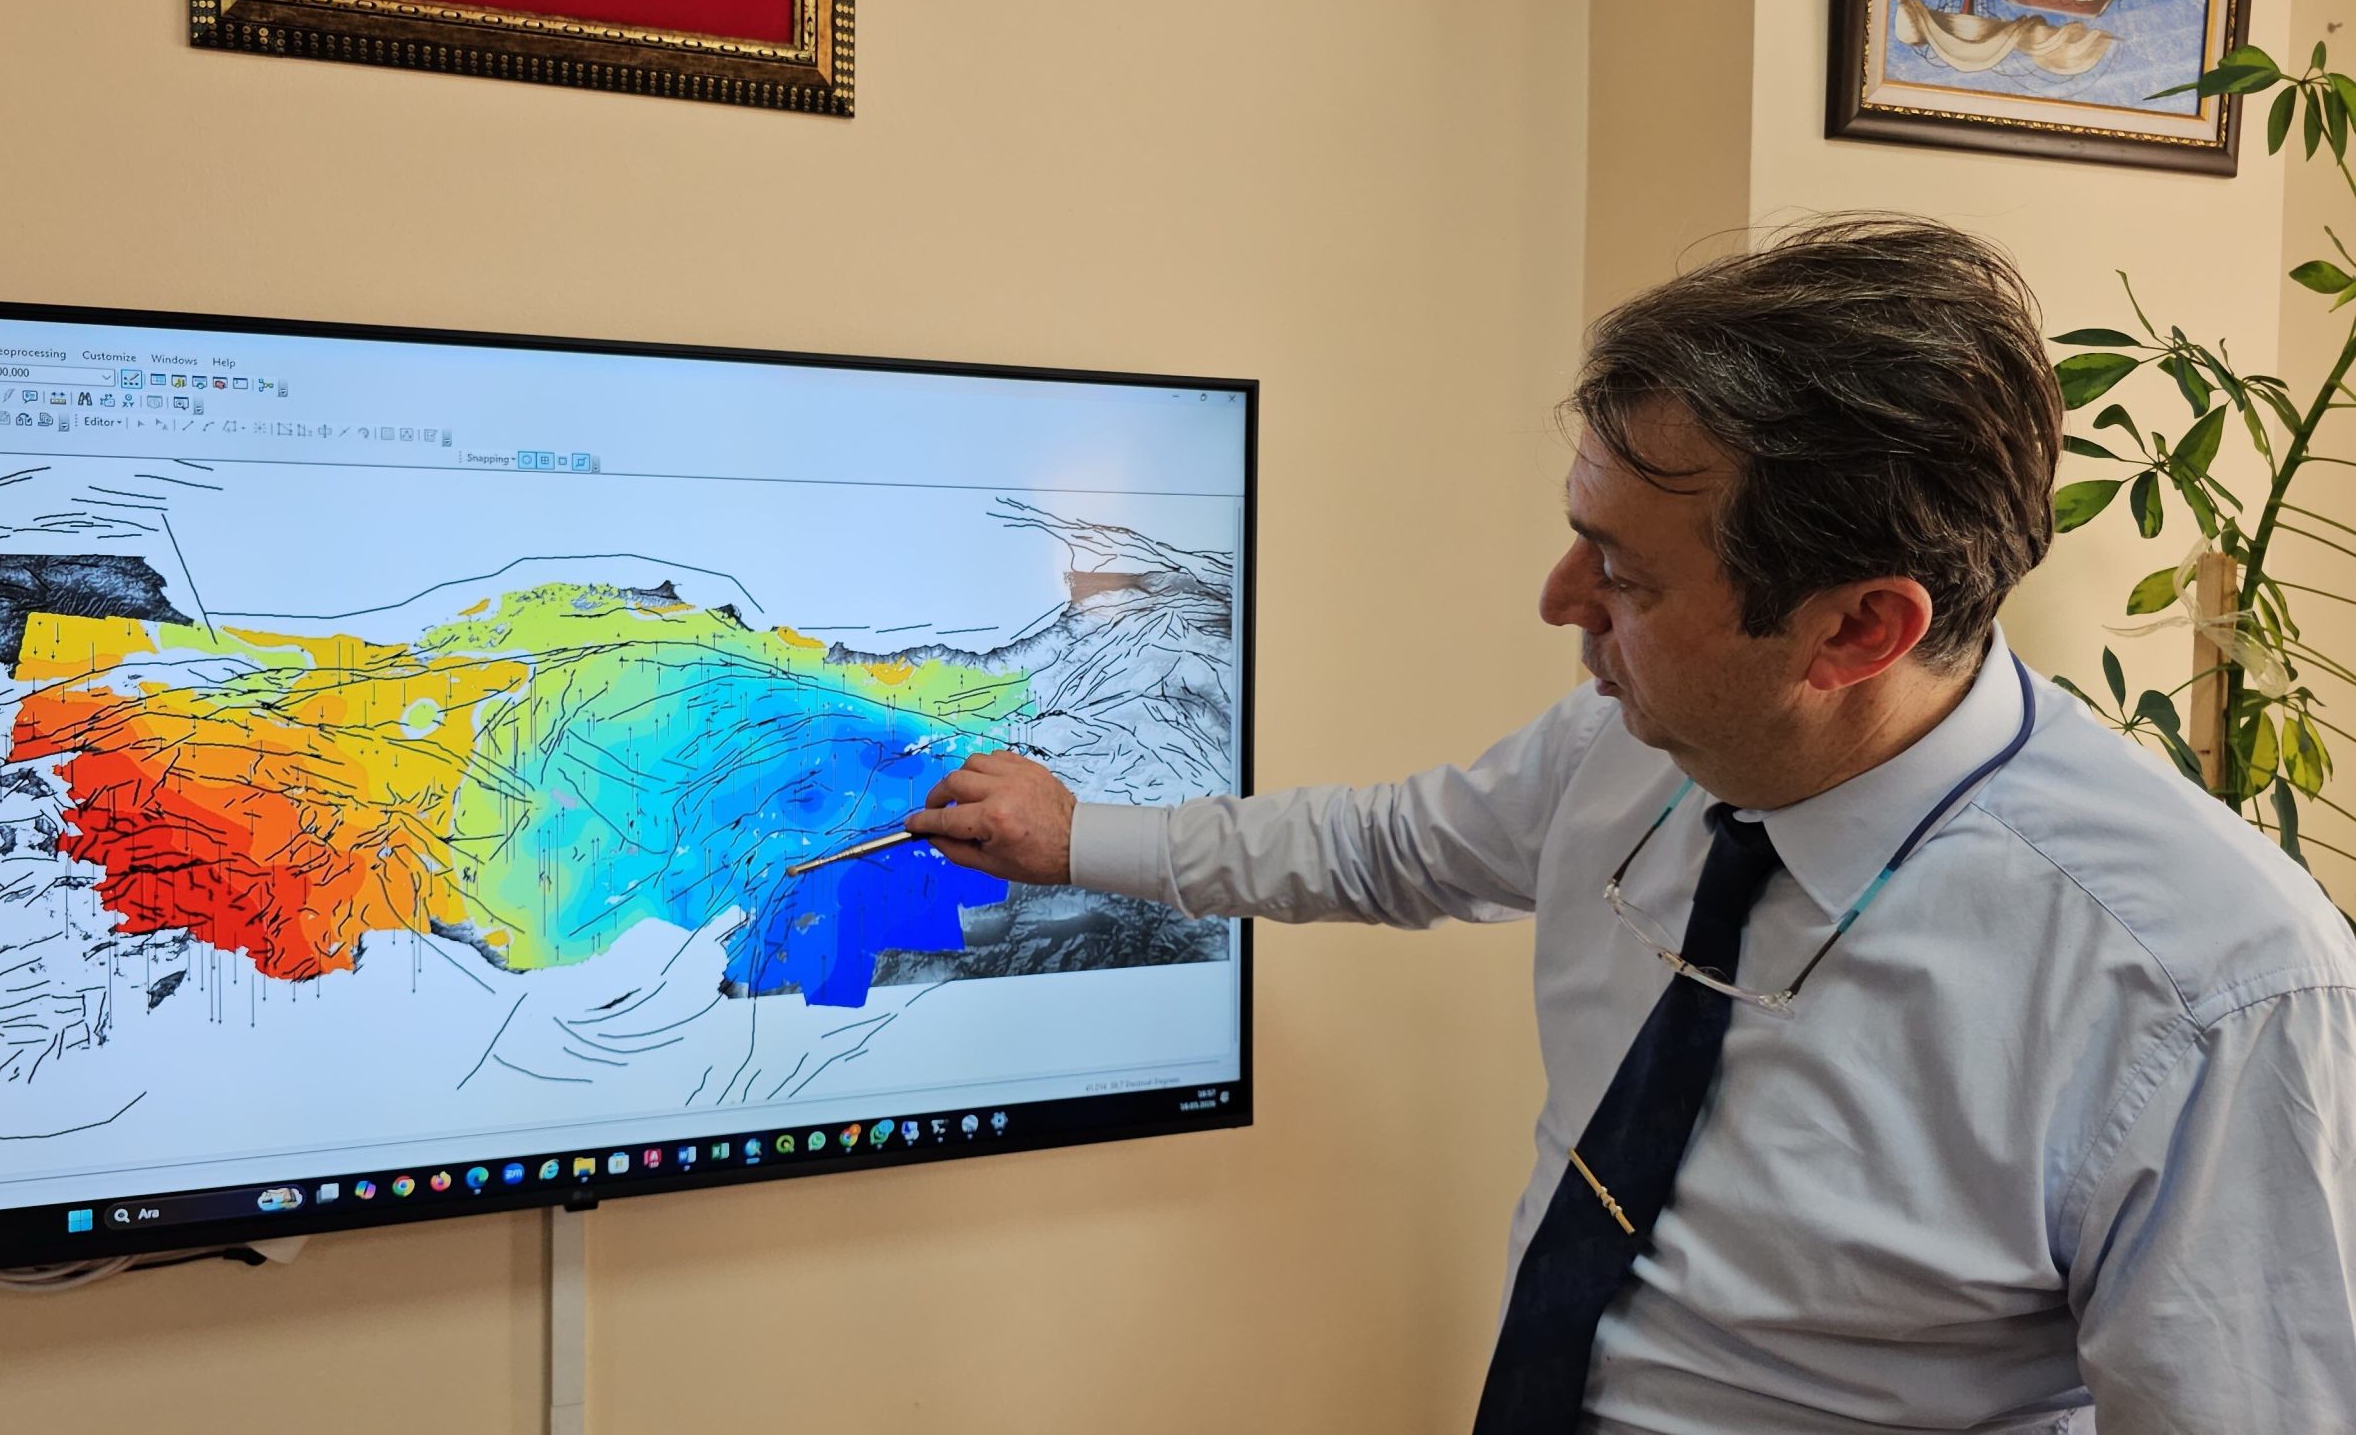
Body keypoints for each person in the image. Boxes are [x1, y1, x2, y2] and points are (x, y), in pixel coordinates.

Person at [902, 214, 2356, 1433]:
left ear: (1859, 629)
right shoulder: (1629, 742)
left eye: (1625, 575)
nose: (1559, 603)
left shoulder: (2205, 991)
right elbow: (1388, 848)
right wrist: (1077, 835)